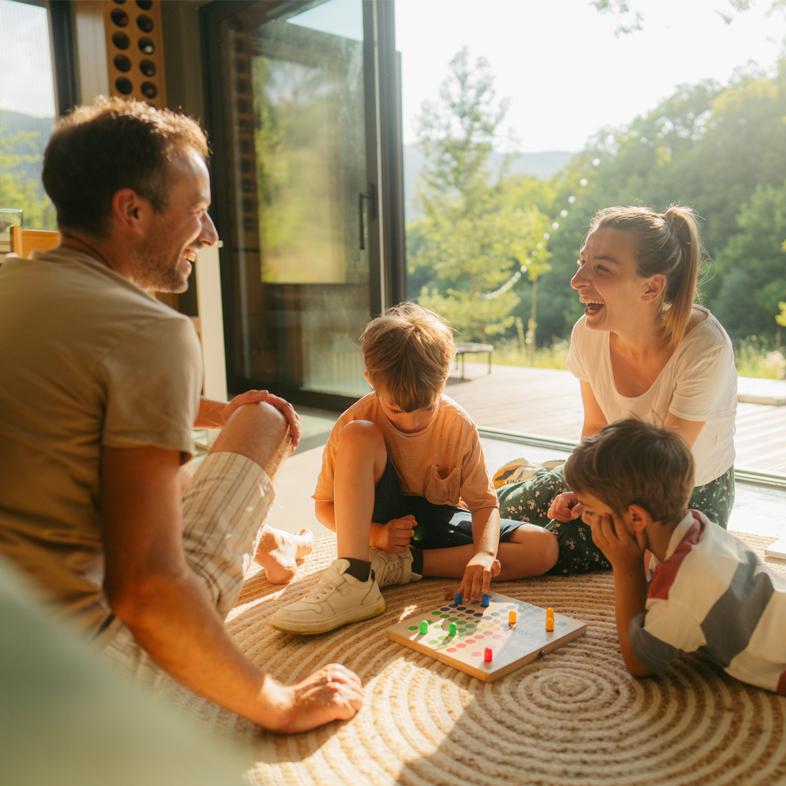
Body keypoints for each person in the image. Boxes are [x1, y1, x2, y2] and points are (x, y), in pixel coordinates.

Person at [0, 97, 361, 732]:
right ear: (131, 211)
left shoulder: (13, 285)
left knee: (200, 446)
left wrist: (214, 410)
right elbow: (147, 590)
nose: (211, 233)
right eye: (197, 211)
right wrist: (280, 704)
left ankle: (263, 541)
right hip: (76, 673)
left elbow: (74, 391)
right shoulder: (150, 332)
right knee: (267, 421)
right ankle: (261, 543)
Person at [270, 303, 558, 634]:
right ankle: (355, 575)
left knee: (543, 548)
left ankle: (402, 567)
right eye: (396, 410)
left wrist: (482, 554)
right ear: (370, 381)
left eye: (426, 408)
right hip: (376, 524)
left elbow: (483, 503)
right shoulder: (353, 422)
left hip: (435, 521)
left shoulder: (458, 425)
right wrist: (376, 534)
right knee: (359, 435)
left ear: (444, 378)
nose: (413, 421)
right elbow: (324, 507)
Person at [497, 205, 737, 575]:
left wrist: (594, 499)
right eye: (582, 262)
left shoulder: (704, 347)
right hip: (612, 473)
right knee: (500, 510)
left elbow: (663, 469)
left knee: (552, 545)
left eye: (601, 269)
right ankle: (531, 478)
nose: (577, 280)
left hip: (679, 494)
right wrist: (579, 487)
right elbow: (595, 428)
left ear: (652, 286)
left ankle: (535, 474)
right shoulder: (587, 333)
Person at [563, 418, 786, 694]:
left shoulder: (682, 588)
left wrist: (626, 567)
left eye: (590, 510)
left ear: (635, 516)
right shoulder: (695, 525)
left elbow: (639, 662)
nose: (585, 518)